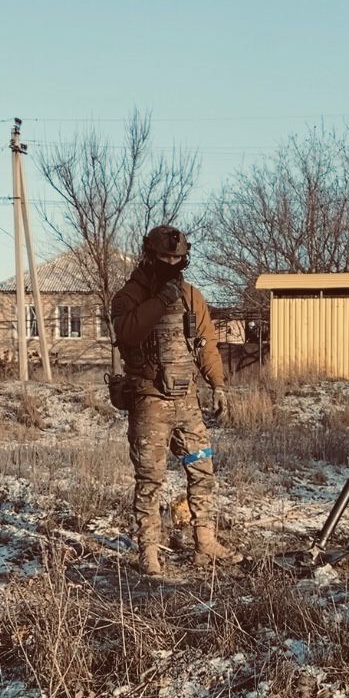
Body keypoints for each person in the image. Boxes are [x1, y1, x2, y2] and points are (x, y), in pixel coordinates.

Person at [111, 224, 243, 576]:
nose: (173, 262)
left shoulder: (191, 296)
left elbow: (207, 343)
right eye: (166, 256)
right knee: (150, 478)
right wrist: (159, 301)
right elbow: (127, 334)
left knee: (202, 469)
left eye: (178, 257)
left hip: (187, 403)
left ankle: (205, 541)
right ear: (149, 255)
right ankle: (149, 551)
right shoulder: (129, 297)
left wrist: (218, 385)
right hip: (149, 401)